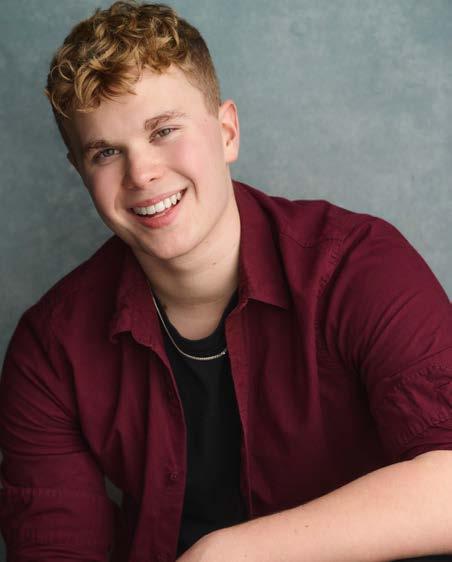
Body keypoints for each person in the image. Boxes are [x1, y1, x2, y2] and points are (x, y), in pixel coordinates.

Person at [0, 1, 451, 561]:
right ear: (80, 171)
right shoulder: (50, 350)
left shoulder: (359, 266)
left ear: (227, 131)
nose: (142, 173)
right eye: (107, 152)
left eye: (164, 130)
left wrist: (231, 553)